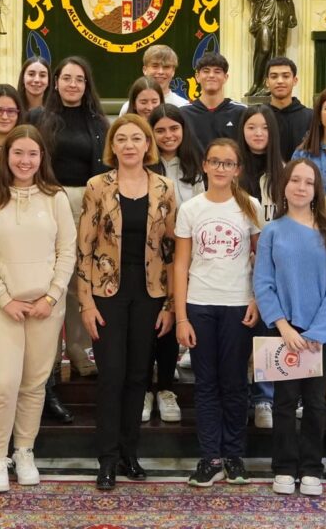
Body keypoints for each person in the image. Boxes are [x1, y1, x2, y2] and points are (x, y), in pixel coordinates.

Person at [0, 125, 76, 493]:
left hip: (45, 308)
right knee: (2, 384)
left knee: (33, 385)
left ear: (41, 157)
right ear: (6, 156)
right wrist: (4, 298)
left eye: (32, 154)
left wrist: (51, 296)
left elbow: (67, 252)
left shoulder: (55, 197)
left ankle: (24, 450)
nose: (25, 160)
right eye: (18, 153)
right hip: (2, 308)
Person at [77, 115, 177, 489]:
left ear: (148, 144)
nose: (131, 144)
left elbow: (171, 250)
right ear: (113, 145)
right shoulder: (96, 186)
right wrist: (86, 302)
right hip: (106, 293)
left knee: (138, 376)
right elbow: (83, 248)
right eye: (123, 138)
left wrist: (169, 305)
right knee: (112, 376)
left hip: (150, 292)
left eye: (138, 138)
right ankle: (106, 459)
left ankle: (129, 454)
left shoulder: (165, 188)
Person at [255, 159, 326, 496]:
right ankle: (283, 467)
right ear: (284, 186)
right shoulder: (272, 231)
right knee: (283, 402)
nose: (301, 187)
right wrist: (283, 327)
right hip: (284, 330)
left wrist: (317, 334)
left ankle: (311, 468)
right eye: (295, 180)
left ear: (316, 190)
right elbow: (263, 283)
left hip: (321, 334)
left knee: (315, 403)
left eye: (308, 182)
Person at [175, 138, 262, 487]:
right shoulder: (191, 209)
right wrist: (181, 316)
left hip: (238, 305)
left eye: (228, 163)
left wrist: (256, 298)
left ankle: (234, 456)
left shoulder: (250, 207)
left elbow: (262, 260)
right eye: (215, 161)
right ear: (205, 166)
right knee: (206, 384)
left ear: (238, 169)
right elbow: (180, 265)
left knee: (235, 383)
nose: (221, 168)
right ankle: (210, 457)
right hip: (200, 305)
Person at [31, 56, 107, 379]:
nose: (72, 84)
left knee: (79, 279)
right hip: (46, 200)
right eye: (66, 78)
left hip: (85, 203)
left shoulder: (99, 123)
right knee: (47, 277)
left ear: (86, 84)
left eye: (79, 79)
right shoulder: (38, 117)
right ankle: (46, 353)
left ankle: (77, 347)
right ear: (56, 81)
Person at [144, 104, 205, 422]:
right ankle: (144, 388)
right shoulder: (143, 164)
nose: (168, 136)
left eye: (173, 129)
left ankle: (165, 387)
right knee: (146, 320)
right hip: (146, 254)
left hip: (182, 253)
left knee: (171, 316)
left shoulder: (195, 166)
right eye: (160, 130)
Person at [236, 104, 283, 428]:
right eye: (251, 127)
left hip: (273, 267)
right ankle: (239, 395)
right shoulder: (232, 171)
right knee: (238, 331)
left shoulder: (283, 172)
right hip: (235, 266)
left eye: (264, 128)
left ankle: (265, 397)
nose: (257, 134)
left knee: (268, 329)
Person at [180, 53, 245, 152]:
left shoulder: (241, 111)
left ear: (225, 77)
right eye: (206, 71)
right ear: (197, 77)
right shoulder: (183, 113)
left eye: (217, 71)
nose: (211, 75)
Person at [115, 44, 189, 116]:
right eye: (155, 66)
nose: (161, 72)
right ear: (145, 70)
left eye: (166, 67)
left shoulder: (183, 107)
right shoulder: (128, 108)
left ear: (173, 71)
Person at [263, 57, 312, 160]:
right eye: (274, 76)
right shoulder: (259, 116)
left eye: (285, 76)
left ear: (295, 80)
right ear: (267, 82)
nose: (280, 81)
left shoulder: (311, 117)